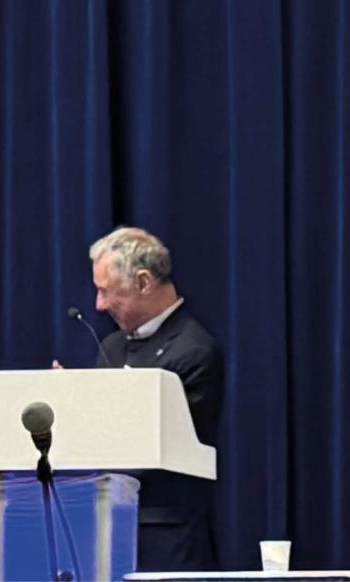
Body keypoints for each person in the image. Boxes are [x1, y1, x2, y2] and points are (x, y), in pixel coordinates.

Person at [88, 227, 222, 571]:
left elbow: (170, 446)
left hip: (165, 537)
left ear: (144, 283)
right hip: (103, 525)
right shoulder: (112, 347)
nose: (99, 305)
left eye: (106, 292)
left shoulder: (193, 350)